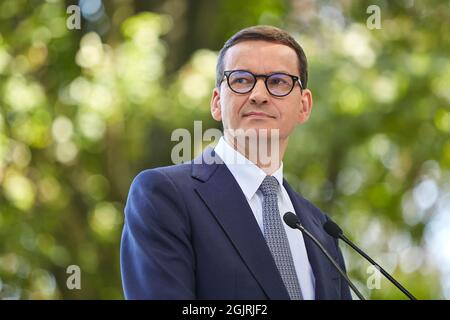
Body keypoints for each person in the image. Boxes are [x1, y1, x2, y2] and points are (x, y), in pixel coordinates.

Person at [120, 25, 352, 300]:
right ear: (217, 102)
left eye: (278, 81)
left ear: (304, 106)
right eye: (241, 80)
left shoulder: (322, 230)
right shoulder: (163, 195)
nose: (259, 94)